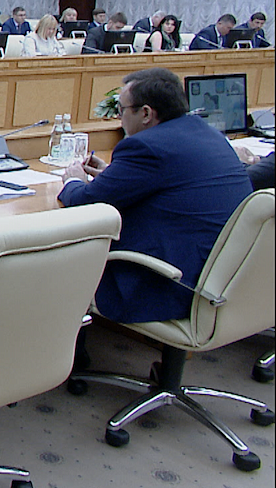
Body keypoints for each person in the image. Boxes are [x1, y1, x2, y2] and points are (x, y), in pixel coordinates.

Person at [58, 67, 250, 323]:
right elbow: (169, 182)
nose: (119, 118)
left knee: (57, 259)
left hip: (167, 287)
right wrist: (114, 175)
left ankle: (62, 343)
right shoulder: (207, 133)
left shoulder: (145, 146)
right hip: (222, 282)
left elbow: (86, 201)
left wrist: (73, 180)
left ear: (146, 113)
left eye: (122, 110)